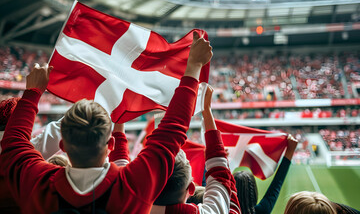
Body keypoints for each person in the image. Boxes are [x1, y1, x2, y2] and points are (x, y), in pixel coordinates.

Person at [0, 31, 213, 214]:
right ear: (110, 145)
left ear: (63, 146)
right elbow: (171, 132)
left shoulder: (35, 181)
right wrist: (193, 66)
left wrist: (32, 93)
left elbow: (13, 141)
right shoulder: (130, 187)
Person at [150, 86, 241, 214]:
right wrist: (207, 111)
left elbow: (220, 171)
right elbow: (221, 177)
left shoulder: (124, 207)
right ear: (191, 188)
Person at [233, 134, 298, 214]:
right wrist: (290, 151)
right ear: (253, 191)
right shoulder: (262, 211)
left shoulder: (222, 210)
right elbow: (277, 184)